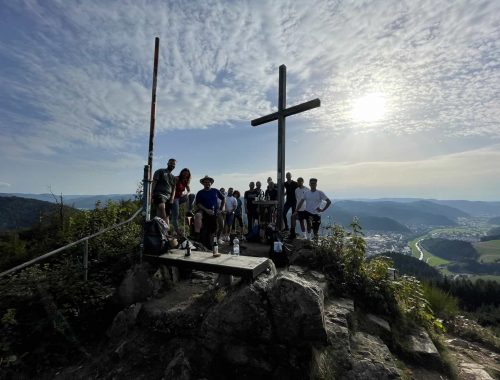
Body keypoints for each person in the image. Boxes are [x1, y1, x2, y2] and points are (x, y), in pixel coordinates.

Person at [195, 175, 225, 248]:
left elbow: (223, 198)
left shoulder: (215, 191)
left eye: (208, 182)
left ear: (211, 183)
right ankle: (206, 243)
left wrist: (221, 209)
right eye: (205, 182)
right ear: (203, 183)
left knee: (221, 226)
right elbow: (198, 204)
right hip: (205, 212)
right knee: (208, 229)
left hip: (216, 212)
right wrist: (206, 210)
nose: (207, 183)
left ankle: (216, 240)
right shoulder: (200, 192)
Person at [171, 168, 195, 235]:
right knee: (176, 214)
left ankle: (189, 210)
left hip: (180, 198)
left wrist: (186, 194)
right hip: (174, 198)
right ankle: (176, 230)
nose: (185, 175)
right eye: (184, 173)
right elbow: (172, 188)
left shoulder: (185, 181)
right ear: (181, 173)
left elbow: (189, 190)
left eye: (187, 174)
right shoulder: (177, 178)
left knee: (192, 195)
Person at [151, 158, 176, 225]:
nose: (172, 165)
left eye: (174, 164)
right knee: (162, 207)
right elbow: (154, 183)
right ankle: (166, 228)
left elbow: (174, 189)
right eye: (171, 163)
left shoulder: (173, 177)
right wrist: (150, 194)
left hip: (168, 197)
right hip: (159, 194)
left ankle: (162, 232)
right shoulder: (160, 171)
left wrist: (172, 199)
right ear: (167, 163)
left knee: (164, 214)